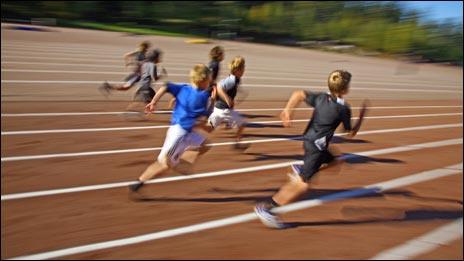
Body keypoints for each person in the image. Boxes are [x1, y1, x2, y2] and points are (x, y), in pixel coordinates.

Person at [254, 70, 369, 228]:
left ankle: (301, 169)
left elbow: (298, 94)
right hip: (316, 148)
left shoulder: (321, 97)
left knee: (336, 161)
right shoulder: (344, 109)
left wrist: (288, 110)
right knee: (303, 185)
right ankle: (269, 209)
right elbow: (350, 134)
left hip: (309, 139)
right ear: (345, 89)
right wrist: (362, 117)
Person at [128, 64, 215, 195]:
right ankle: (142, 181)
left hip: (184, 131)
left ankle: (182, 163)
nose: (210, 82)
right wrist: (212, 103)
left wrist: (153, 102)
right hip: (179, 135)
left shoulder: (184, 88)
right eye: (209, 79)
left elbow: (165, 86)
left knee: (206, 145)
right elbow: (203, 123)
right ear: (203, 80)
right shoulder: (203, 98)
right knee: (164, 164)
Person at [207, 56, 248, 150]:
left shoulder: (235, 79)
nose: (244, 70)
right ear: (237, 70)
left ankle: (192, 139)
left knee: (208, 129)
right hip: (224, 110)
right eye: (243, 68)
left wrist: (231, 100)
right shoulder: (232, 80)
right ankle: (237, 143)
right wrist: (227, 99)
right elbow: (218, 87)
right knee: (242, 124)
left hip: (219, 109)